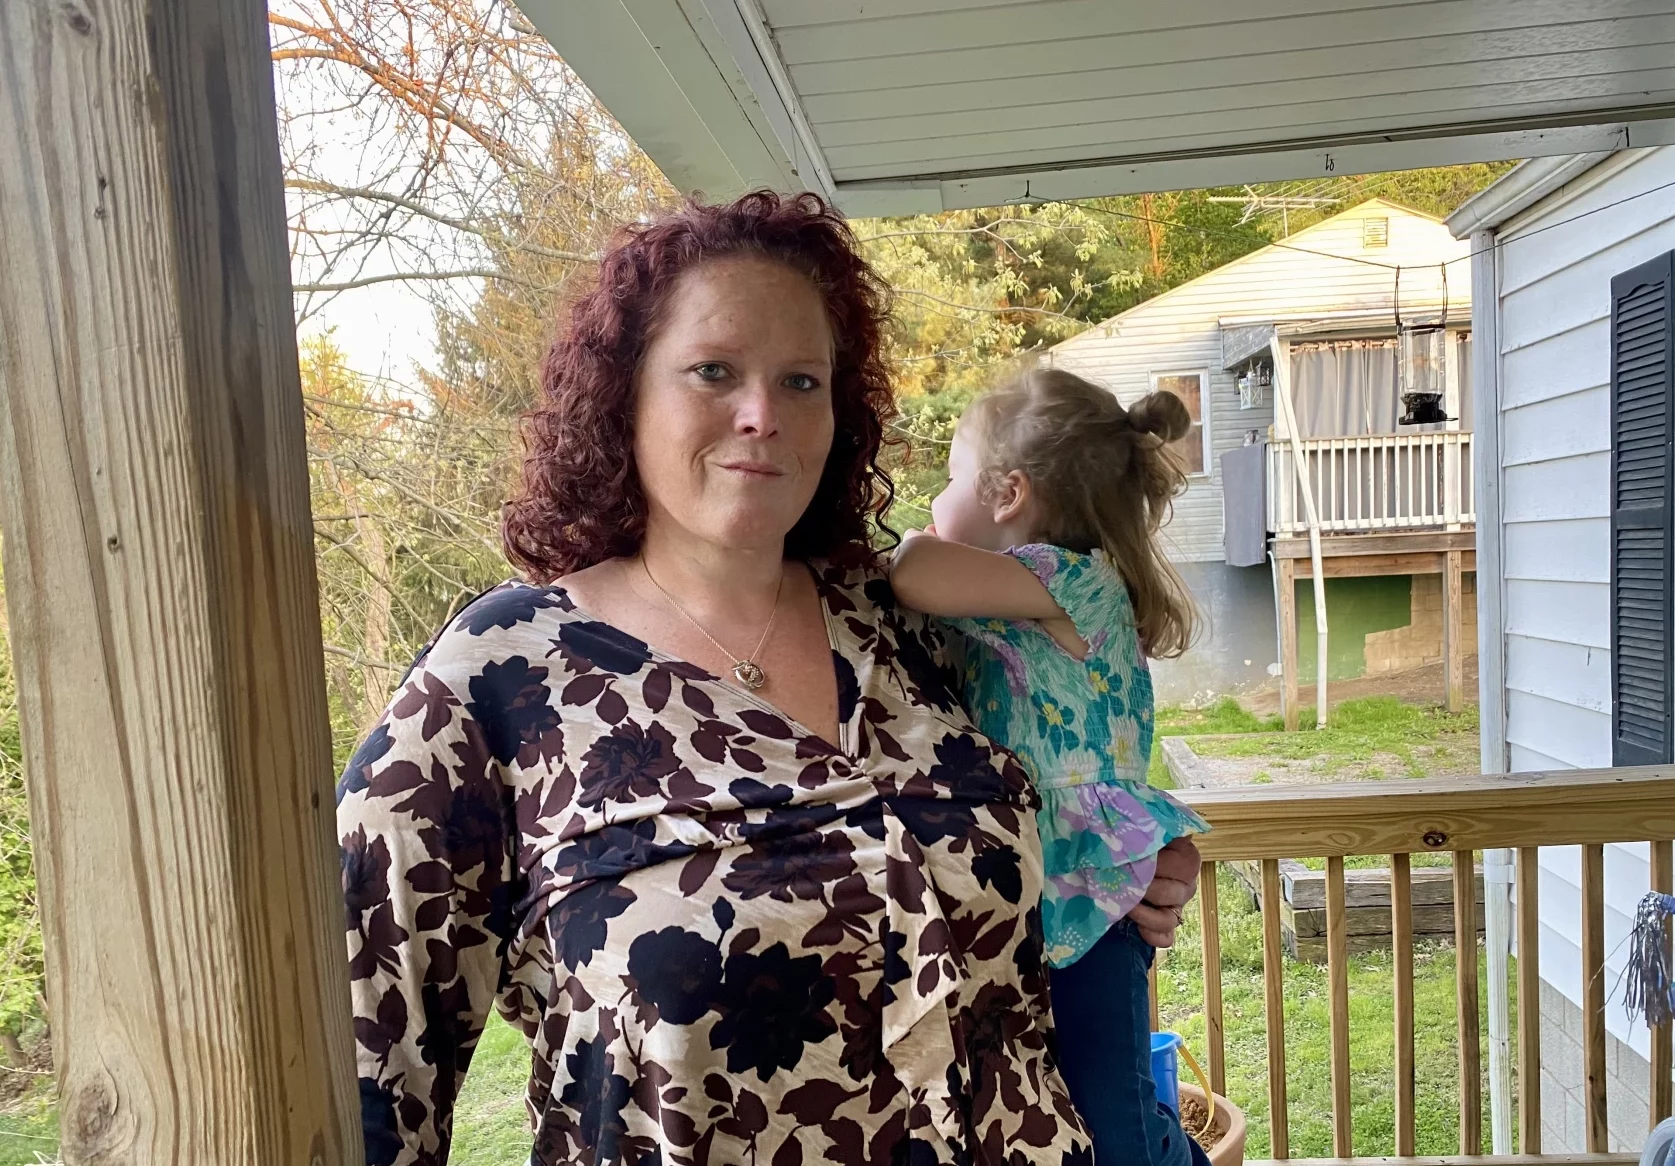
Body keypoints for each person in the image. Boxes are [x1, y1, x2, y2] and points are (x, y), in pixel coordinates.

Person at [335, 192, 1201, 1166]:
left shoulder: (907, 625)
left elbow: (1060, 762)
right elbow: (359, 1058)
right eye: (713, 370)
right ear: (625, 395)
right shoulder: (502, 676)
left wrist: (1137, 859)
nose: (762, 415)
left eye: (801, 379)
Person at [890, 367, 1213, 1166]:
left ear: (1007, 492)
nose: (939, 495)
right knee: (1074, 1099)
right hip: (1046, 884)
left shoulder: (1075, 580)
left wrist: (904, 541)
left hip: (1089, 887)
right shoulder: (1021, 598)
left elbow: (912, 572)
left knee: (1117, 1122)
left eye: (952, 477)